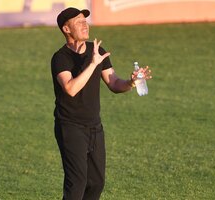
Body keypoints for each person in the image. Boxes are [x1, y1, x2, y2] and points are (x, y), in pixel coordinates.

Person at [51, 7, 152, 200]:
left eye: (85, 21)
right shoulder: (60, 58)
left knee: (96, 183)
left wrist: (131, 82)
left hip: (94, 127)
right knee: (77, 183)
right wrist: (92, 64)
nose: (85, 25)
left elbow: (114, 83)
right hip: (70, 127)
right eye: (79, 22)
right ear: (66, 29)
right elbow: (71, 88)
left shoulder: (97, 52)